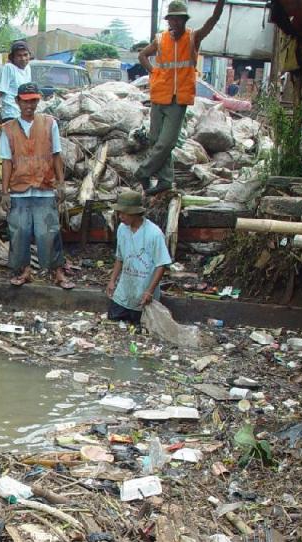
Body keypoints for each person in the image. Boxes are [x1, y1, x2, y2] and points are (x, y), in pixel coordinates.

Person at [135, 0, 225, 195]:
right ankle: (165, 181)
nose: (176, 22)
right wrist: (154, 73)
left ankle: (143, 172)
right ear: (169, 20)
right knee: (155, 140)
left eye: (179, 19)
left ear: (184, 20)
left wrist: (221, 3)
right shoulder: (161, 39)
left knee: (167, 142)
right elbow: (142, 55)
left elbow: (213, 20)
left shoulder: (193, 37)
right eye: (173, 19)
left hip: (178, 99)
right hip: (159, 96)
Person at [0, 82, 71, 289]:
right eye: (26, 101)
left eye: (33, 101)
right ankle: (24, 271)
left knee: (48, 233)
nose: (30, 105)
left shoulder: (49, 124)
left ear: (38, 101)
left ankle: (57, 272)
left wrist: (61, 184)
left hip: (44, 187)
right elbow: (6, 162)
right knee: (19, 233)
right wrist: (5, 192)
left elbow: (56, 155)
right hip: (19, 189)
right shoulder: (8, 129)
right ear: (18, 102)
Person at [105, 190, 172, 323]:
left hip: (143, 290)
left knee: (140, 324)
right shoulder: (122, 229)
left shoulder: (154, 233)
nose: (120, 216)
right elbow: (120, 258)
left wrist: (149, 291)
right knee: (113, 320)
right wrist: (112, 281)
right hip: (125, 289)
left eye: (124, 213)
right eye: (119, 213)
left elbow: (161, 265)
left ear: (134, 213)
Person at [0, 40, 32, 121]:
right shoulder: (8, 68)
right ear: (13, 57)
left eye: (25, 55)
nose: (23, 58)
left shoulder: (27, 68)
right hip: (11, 113)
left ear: (29, 55)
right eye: (19, 56)